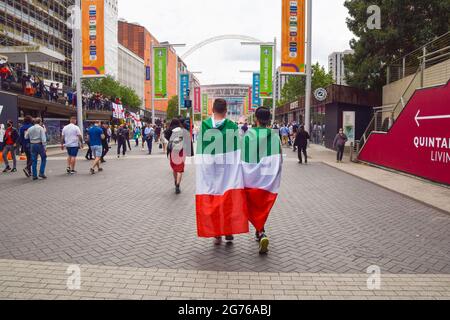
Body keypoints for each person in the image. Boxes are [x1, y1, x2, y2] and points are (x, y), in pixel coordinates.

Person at [196, 98, 245, 246]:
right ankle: (228, 231)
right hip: (228, 170)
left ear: (212, 109)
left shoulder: (204, 125)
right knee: (227, 199)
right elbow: (238, 149)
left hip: (210, 170)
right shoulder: (231, 125)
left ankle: (216, 232)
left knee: (213, 199)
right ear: (225, 110)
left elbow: (202, 149)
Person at [242, 107, 282, 254]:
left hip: (251, 180)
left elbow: (243, 159)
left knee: (251, 206)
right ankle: (260, 232)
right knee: (262, 206)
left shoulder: (248, 135)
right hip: (267, 180)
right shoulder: (274, 136)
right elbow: (279, 159)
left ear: (256, 119)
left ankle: (260, 231)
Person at [167, 119, 190, 194]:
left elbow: (167, 139)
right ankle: (177, 185)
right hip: (181, 152)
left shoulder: (170, 131)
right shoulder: (183, 131)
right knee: (180, 169)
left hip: (173, 151)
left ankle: (175, 181)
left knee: (174, 169)